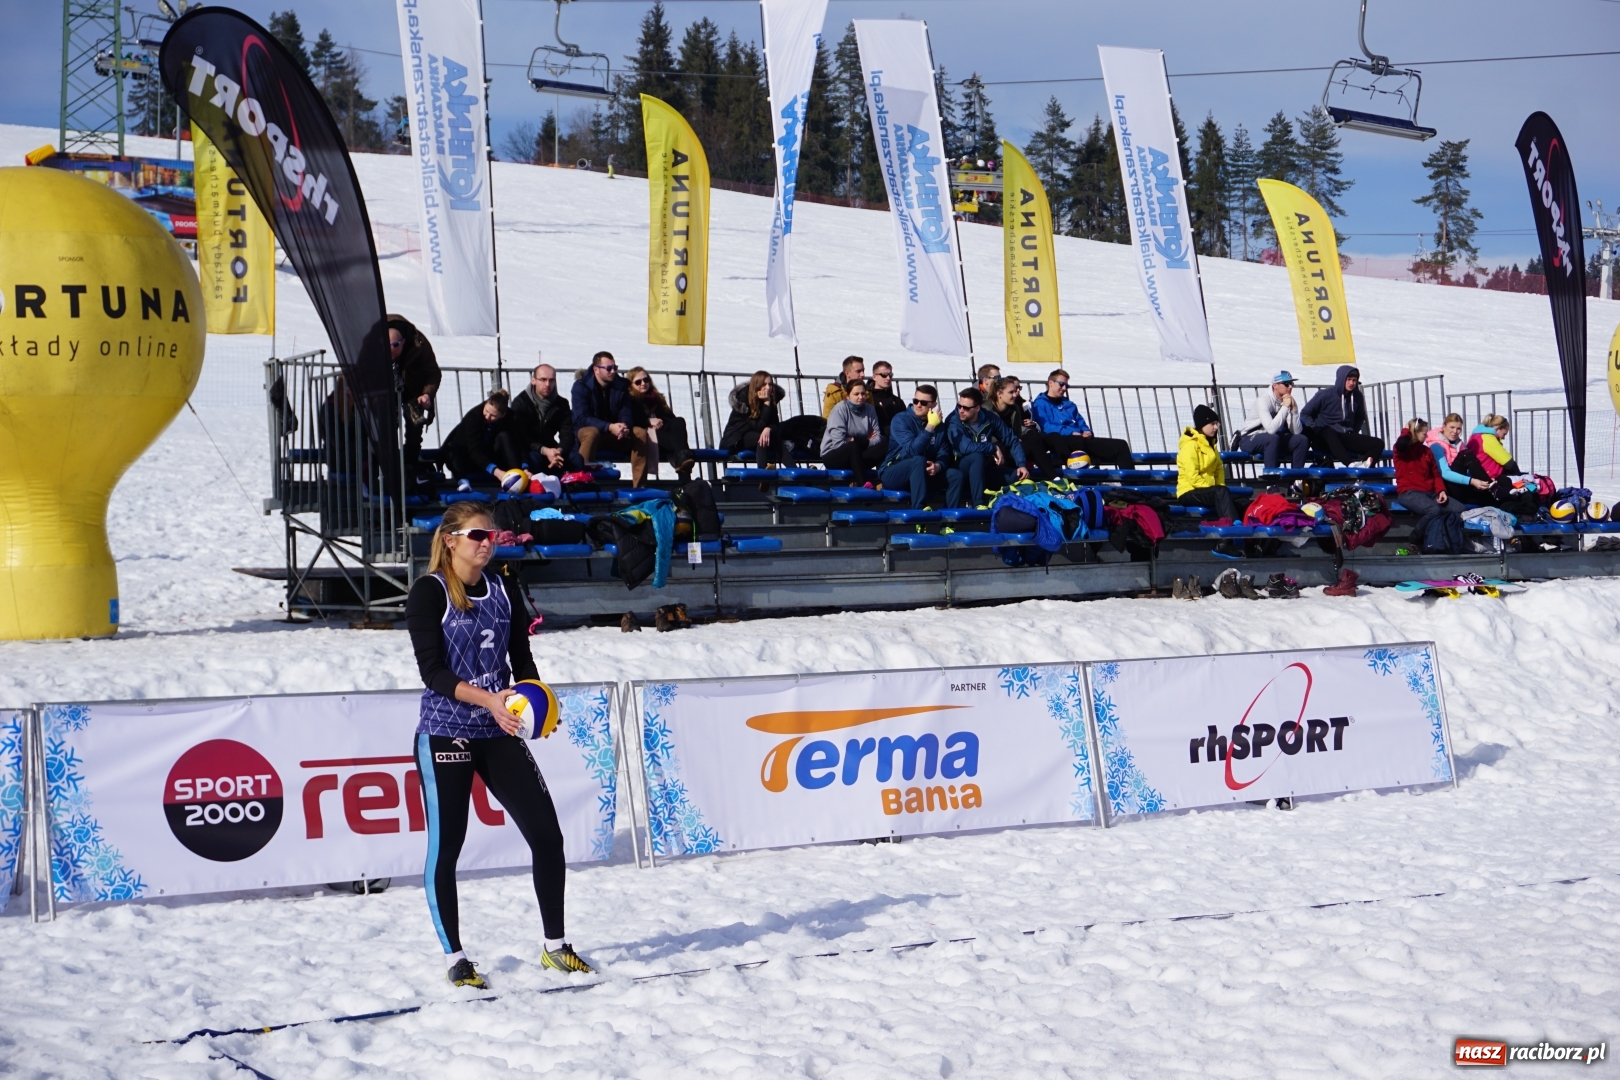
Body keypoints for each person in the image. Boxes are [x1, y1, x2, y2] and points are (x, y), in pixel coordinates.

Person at [405, 500, 592, 988]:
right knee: (447, 849)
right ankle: (456, 958)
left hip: (498, 728)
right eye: (477, 536)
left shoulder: (504, 588)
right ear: (450, 540)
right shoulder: (429, 592)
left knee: (547, 836)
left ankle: (555, 947)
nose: (488, 543)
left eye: (492, 535)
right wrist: (489, 700)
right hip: (447, 729)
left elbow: (522, 658)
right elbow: (434, 673)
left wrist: (538, 701)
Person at [1026, 368, 1135, 472]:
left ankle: (1132, 485)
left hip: (1081, 439)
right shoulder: (1039, 404)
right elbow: (1046, 427)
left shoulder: (1069, 404)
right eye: (1062, 384)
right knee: (1077, 441)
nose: (1064, 388)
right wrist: (1072, 432)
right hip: (1061, 441)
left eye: (1067, 386)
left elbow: (1080, 422)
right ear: (1051, 383)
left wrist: (1087, 432)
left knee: (1121, 445)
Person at [571, 351, 652, 486]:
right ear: (596, 369)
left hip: (615, 434)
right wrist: (609, 426)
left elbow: (626, 410)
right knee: (591, 432)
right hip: (588, 434)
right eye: (609, 368)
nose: (613, 371)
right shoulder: (581, 386)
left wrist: (624, 426)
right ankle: (582, 484)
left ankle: (640, 487)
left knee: (640, 433)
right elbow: (582, 418)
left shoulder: (621, 385)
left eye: (615, 368)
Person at [1176, 404, 1242, 557]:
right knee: (1221, 492)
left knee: (1241, 500)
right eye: (1212, 424)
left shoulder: (1211, 445)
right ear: (1202, 425)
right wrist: (1216, 490)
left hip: (1208, 490)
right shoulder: (1190, 446)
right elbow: (1193, 477)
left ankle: (1252, 541)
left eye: (1217, 423)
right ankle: (1225, 542)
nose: (1216, 427)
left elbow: (1219, 470)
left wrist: (1218, 489)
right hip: (1189, 491)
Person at [945, 386, 1028, 507]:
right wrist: (992, 448)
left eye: (966, 408)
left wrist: (1022, 465)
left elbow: (1011, 439)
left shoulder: (988, 418)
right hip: (958, 472)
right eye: (959, 406)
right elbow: (965, 447)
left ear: (977, 408)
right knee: (976, 456)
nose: (961, 410)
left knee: (1018, 475)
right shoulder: (953, 420)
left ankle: (1019, 511)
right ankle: (978, 504)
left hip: (982, 471)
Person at [880, 383, 956, 508]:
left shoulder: (939, 426)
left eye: (924, 402)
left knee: (955, 475)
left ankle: (949, 522)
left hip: (922, 474)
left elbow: (944, 452)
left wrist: (938, 466)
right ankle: (919, 511)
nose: (918, 405)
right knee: (918, 460)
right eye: (915, 401)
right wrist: (929, 427)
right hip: (894, 471)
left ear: (933, 405)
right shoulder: (900, 420)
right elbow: (913, 450)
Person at [1301, 364, 1384, 465]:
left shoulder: (1357, 396)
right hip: (1324, 438)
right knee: (1328, 432)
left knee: (1378, 443)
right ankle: (1350, 465)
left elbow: (1360, 416)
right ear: (1341, 379)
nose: (1351, 383)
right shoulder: (1325, 395)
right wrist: (1315, 429)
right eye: (1348, 379)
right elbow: (1305, 414)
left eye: (1354, 380)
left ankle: (1363, 468)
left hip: (1344, 436)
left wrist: (1354, 430)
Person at [508, 360, 578, 475]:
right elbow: (520, 436)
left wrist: (558, 451)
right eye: (543, 380)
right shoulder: (520, 403)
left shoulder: (561, 404)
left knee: (576, 459)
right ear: (533, 380)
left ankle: (574, 488)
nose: (547, 384)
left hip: (553, 450)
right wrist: (544, 450)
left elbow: (567, 434)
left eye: (551, 380)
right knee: (534, 461)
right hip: (530, 450)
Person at [626, 366, 695, 480]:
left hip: (663, 435)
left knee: (679, 421)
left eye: (646, 380)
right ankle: (686, 481)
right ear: (631, 384)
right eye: (638, 382)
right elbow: (629, 419)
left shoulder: (657, 398)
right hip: (644, 438)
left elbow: (671, 419)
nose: (643, 383)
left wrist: (661, 420)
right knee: (679, 446)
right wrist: (648, 421)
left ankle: (683, 460)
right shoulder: (629, 400)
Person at [441, 389, 524, 484]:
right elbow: (474, 450)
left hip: (489, 456)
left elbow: (519, 443)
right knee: (452, 447)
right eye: (486, 411)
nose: (487, 417)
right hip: (468, 457)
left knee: (505, 436)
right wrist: (496, 471)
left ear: (502, 415)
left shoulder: (510, 417)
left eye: (493, 415)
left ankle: (518, 475)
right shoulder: (474, 417)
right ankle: (463, 482)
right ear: (486, 403)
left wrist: (525, 467)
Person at [389, 314, 441, 464]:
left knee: (414, 431)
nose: (392, 358)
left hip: (413, 392)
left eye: (394, 354)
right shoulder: (371, 339)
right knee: (385, 432)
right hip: (385, 393)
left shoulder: (419, 344)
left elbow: (433, 373)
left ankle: (410, 467)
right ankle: (387, 468)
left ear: (402, 342)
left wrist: (426, 394)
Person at [1393, 418, 1463, 526]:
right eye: (1424, 434)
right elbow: (1401, 444)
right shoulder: (1403, 450)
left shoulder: (1426, 451)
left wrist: (1441, 490)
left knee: (1459, 508)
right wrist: (1406, 430)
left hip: (1429, 493)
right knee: (1433, 510)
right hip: (1409, 493)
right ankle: (1416, 537)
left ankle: (1445, 535)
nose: (1427, 436)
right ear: (1414, 433)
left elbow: (1435, 473)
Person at [1235, 370, 1308, 469]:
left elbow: (1296, 431)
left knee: (1301, 440)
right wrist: (1285, 407)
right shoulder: (1263, 401)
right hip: (1249, 438)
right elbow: (1271, 429)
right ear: (1275, 385)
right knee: (1272, 438)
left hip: (1272, 439)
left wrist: (1294, 409)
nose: (1290, 387)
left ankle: (1296, 480)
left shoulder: (1286, 400)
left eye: (1291, 383)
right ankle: (1271, 481)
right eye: (1286, 384)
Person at [820, 379, 886, 485]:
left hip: (858, 455)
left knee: (885, 443)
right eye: (856, 394)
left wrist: (856, 441)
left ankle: (884, 482)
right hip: (834, 455)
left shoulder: (870, 409)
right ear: (847, 396)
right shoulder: (839, 410)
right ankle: (863, 485)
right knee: (852, 446)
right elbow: (838, 443)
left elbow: (877, 437)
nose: (861, 397)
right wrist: (863, 441)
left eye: (863, 393)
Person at [721, 371, 783, 465]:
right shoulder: (743, 401)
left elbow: (775, 423)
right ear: (757, 385)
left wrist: (768, 428)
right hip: (737, 439)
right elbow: (758, 426)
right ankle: (763, 475)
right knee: (762, 438)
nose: (768, 388)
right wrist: (766, 404)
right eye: (764, 384)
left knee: (770, 437)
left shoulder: (771, 398)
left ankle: (795, 471)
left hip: (757, 436)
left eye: (770, 384)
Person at [1426, 413, 1485, 504]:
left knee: (1499, 486)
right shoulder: (1436, 445)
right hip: (1447, 487)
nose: (1455, 431)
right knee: (1466, 454)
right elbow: (1444, 473)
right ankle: (1490, 486)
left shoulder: (1459, 444)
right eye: (1452, 427)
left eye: (1458, 429)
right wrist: (1472, 481)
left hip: (1462, 484)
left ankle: (1491, 487)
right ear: (1444, 426)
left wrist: (1477, 481)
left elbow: (1469, 469)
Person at [867, 361, 906, 437]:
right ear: (874, 377)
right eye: (884, 375)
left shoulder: (897, 401)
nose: (888, 378)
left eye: (890, 375)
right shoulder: (868, 398)